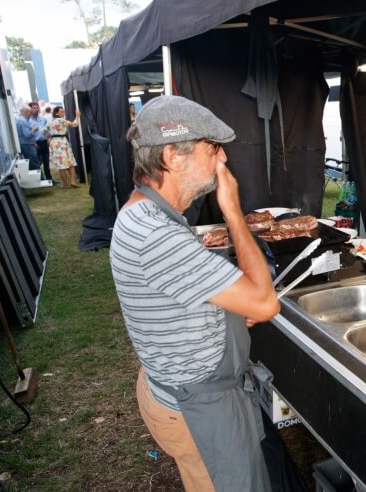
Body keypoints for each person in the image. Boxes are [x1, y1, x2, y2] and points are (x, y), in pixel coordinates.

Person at [109, 95, 279, 491]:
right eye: (212, 149)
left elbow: (178, 296)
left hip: (182, 394)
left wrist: (227, 313)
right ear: (172, 156)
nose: (222, 160)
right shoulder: (155, 235)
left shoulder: (146, 214)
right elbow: (265, 302)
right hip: (198, 410)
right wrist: (233, 212)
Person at [46, 106, 81, 188]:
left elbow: (45, 132)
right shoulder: (62, 120)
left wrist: (50, 138)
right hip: (62, 141)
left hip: (54, 142)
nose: (63, 113)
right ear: (56, 113)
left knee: (60, 165)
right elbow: (74, 124)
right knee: (70, 162)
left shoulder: (50, 122)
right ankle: (72, 181)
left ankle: (65, 184)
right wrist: (77, 116)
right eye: (61, 111)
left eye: (63, 111)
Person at [29, 102, 52, 181]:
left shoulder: (42, 119)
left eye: (37, 107)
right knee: (37, 162)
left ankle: (49, 179)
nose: (36, 109)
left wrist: (49, 138)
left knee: (47, 162)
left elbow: (46, 130)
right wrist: (33, 143)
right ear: (30, 109)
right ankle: (40, 179)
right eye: (34, 108)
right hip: (35, 144)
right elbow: (28, 134)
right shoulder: (28, 121)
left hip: (44, 142)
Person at [15, 105, 39, 170]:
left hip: (23, 144)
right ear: (25, 112)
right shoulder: (23, 121)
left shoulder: (18, 119)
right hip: (27, 144)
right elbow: (27, 135)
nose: (31, 114)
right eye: (30, 112)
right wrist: (33, 130)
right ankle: (40, 178)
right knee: (34, 162)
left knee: (30, 163)